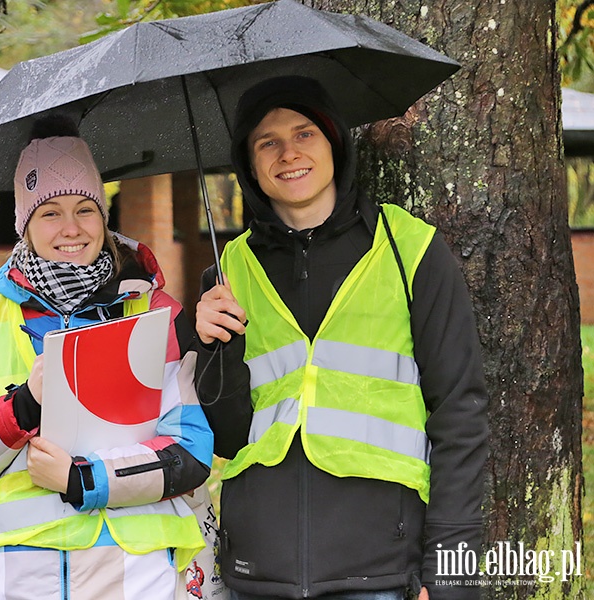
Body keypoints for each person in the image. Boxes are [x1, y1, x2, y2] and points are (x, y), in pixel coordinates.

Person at [194, 76, 489, 600]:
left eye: (304, 133)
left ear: (334, 140)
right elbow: (227, 436)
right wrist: (209, 345)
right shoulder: (227, 271)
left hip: (381, 569)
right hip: (257, 573)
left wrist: (451, 574)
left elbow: (459, 413)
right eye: (267, 141)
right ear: (249, 163)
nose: (288, 153)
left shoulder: (410, 250)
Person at [0, 116, 214, 600]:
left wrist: (85, 479)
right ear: (25, 226)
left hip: (133, 573)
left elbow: (190, 452)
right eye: (50, 213)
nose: (72, 228)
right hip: (11, 575)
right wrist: (22, 407)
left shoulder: (155, 312)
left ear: (104, 215)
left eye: (86, 209)